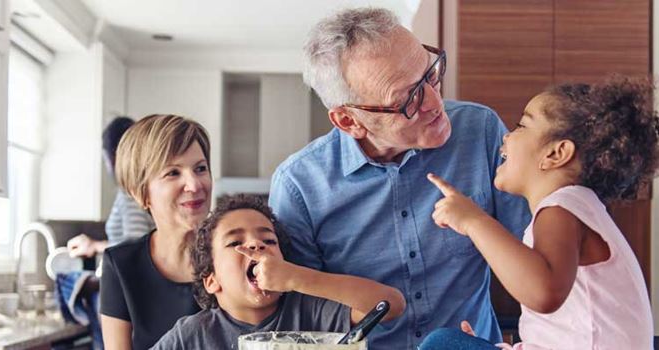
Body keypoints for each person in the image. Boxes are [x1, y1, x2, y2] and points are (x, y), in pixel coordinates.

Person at [268, 7, 530, 349]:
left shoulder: (480, 131)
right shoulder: (299, 187)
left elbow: (533, 252)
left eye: (430, 74)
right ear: (349, 121)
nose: (435, 102)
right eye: (407, 99)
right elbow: (305, 314)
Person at [419, 76, 657, 349]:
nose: (507, 135)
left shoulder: (562, 209)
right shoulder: (576, 209)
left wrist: (474, 220)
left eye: (522, 125)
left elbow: (544, 293)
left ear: (556, 154)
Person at [152, 194, 406, 349]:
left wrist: (297, 277)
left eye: (269, 241)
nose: (256, 244)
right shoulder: (193, 335)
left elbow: (391, 304)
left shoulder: (311, 312)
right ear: (212, 281)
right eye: (235, 243)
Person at [99, 114, 213, 349]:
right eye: (173, 173)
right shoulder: (120, 265)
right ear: (141, 192)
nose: (194, 185)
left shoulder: (236, 255)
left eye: (200, 168)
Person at [67, 116, 155, 258]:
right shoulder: (140, 188)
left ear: (112, 156)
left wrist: (95, 246)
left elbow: (135, 244)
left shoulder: (130, 192)